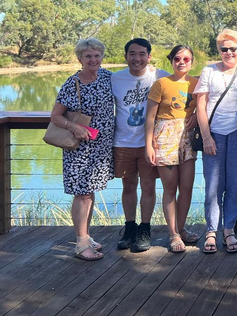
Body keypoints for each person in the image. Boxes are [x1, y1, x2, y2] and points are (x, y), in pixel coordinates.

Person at [194, 29, 237, 253]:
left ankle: (229, 230)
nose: (229, 52)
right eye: (224, 49)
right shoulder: (209, 71)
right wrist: (206, 137)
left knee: (234, 184)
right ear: (219, 50)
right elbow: (200, 107)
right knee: (214, 186)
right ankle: (211, 231)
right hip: (214, 134)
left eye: (233, 48)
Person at [50, 38, 114, 261]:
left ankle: (86, 236)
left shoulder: (107, 77)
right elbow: (55, 116)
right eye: (88, 56)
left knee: (90, 191)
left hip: (101, 146)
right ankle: (80, 243)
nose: (93, 60)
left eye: (97, 55)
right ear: (80, 59)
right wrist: (74, 127)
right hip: (79, 147)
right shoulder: (72, 83)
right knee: (82, 194)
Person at [111, 38, 169, 252]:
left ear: (149, 56)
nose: (137, 58)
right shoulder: (114, 78)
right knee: (128, 186)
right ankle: (129, 227)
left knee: (148, 186)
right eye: (132, 54)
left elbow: (186, 82)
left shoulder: (159, 75)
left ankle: (145, 229)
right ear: (125, 56)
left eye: (142, 54)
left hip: (150, 144)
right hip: (123, 141)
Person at [145, 46, 199, 253]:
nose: (182, 62)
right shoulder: (161, 84)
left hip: (187, 137)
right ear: (172, 61)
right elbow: (149, 117)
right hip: (165, 136)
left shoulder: (196, 83)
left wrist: (195, 115)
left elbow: (206, 105)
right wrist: (149, 144)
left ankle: (181, 228)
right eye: (177, 58)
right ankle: (173, 234)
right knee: (170, 188)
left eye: (186, 58)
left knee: (186, 187)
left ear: (191, 61)